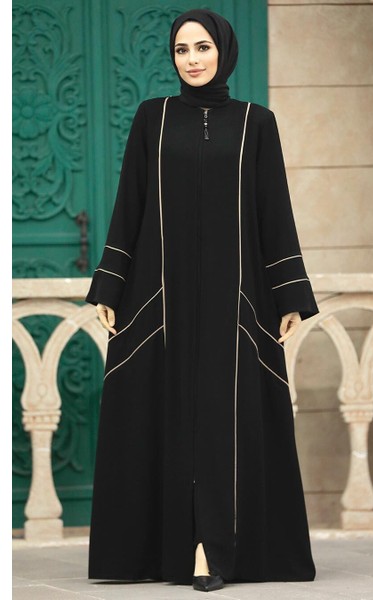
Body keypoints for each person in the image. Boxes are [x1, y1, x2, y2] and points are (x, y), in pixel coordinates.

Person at [85, 7, 319, 594]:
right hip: (159, 297)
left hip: (234, 299)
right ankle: (168, 546)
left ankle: (213, 548)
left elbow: (273, 210)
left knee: (225, 418)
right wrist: (111, 284)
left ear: (224, 51)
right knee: (163, 413)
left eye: (202, 47)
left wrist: (289, 293)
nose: (191, 59)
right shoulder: (153, 117)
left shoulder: (256, 123)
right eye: (182, 49)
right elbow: (130, 202)